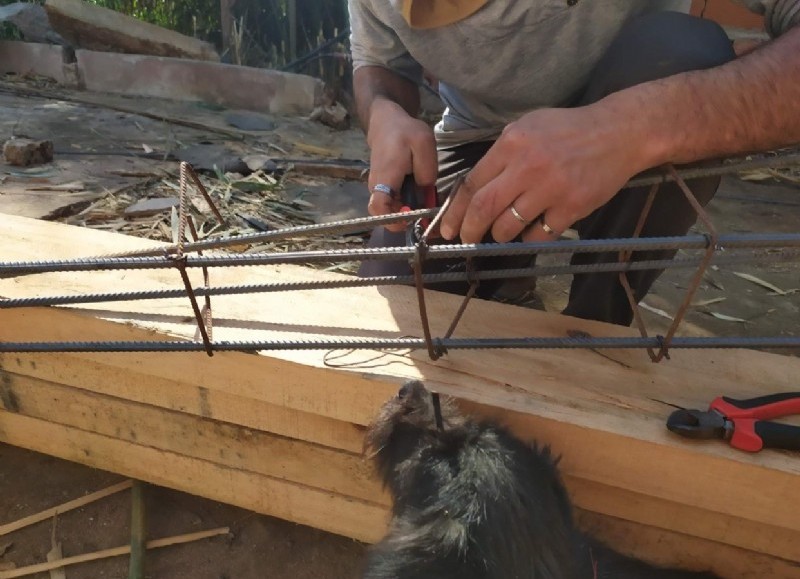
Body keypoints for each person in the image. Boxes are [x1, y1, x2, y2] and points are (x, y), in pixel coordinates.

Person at [347, 0, 800, 325]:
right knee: (392, 315)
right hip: (479, 136)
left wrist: (630, 130)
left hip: (632, 124)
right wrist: (385, 113)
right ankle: (509, 277)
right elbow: (377, 60)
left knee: (682, 51)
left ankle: (595, 327)